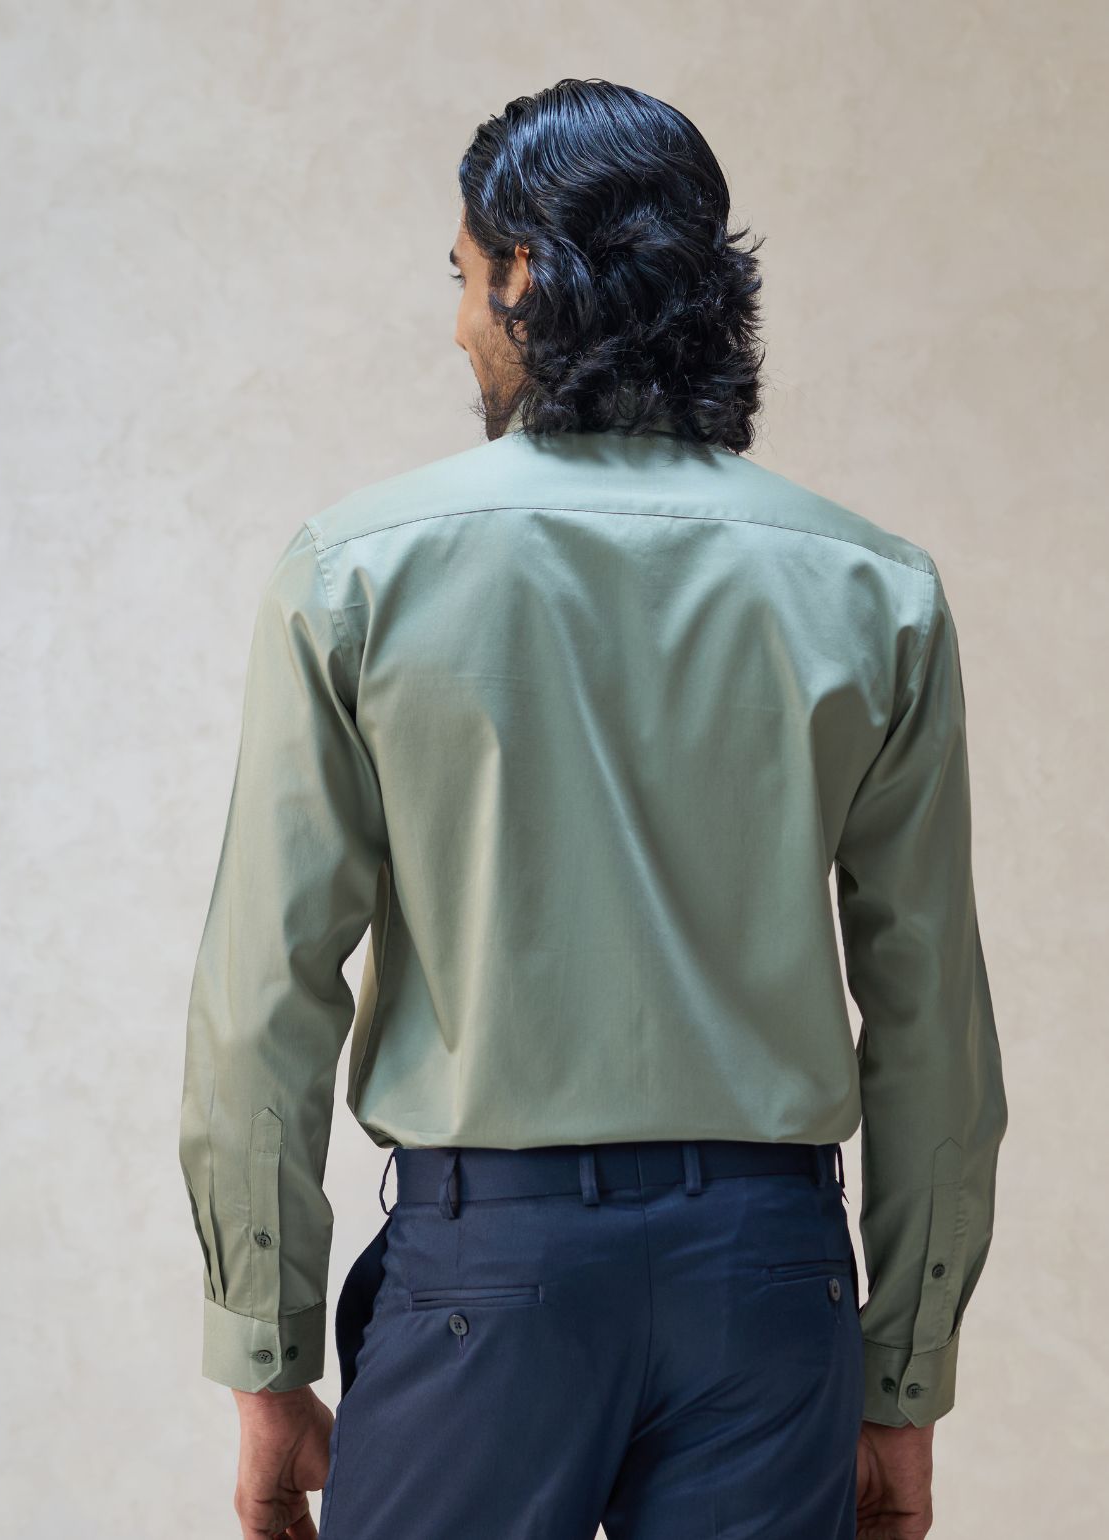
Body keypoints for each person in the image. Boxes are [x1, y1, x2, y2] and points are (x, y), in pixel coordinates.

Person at [178, 77, 1008, 1540]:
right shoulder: (876, 593)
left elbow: (268, 997)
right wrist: (904, 1378)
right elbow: (931, 1016)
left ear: (524, 274)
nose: (457, 326)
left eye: (460, 276)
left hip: (485, 1283)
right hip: (769, 1288)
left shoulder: (357, 575)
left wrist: (267, 1352)